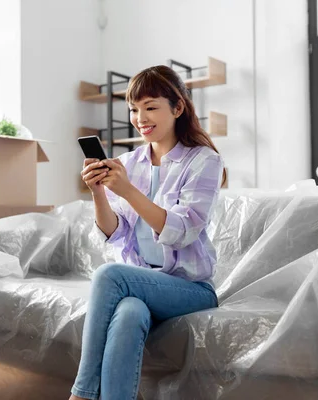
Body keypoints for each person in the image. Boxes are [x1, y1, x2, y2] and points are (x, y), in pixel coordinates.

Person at [70, 65, 226, 400]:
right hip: (143, 284)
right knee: (128, 313)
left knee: (109, 275)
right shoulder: (130, 162)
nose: (140, 117)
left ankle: (81, 394)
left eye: (151, 107)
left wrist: (127, 191)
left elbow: (182, 231)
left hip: (190, 287)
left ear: (178, 108)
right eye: (134, 109)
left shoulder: (203, 161)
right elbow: (116, 234)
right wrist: (98, 191)